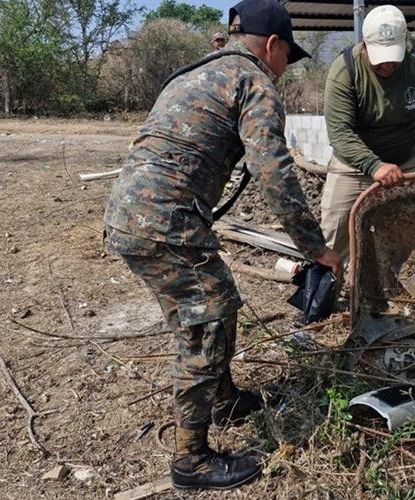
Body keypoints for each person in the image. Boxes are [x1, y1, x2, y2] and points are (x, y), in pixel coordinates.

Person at [102, 0, 341, 490]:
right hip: (164, 223)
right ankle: (191, 461)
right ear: (271, 44)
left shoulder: (195, 72)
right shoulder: (253, 81)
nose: (284, 67)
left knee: (215, 306)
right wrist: (315, 248)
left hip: (129, 214)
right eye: (287, 56)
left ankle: (224, 399)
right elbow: (273, 172)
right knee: (206, 324)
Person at [320, 4, 415, 260]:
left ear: (405, 43)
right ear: (364, 45)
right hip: (354, 164)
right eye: (380, 59)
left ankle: (413, 275)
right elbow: (339, 131)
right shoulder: (345, 70)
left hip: (408, 158)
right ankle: (331, 282)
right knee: (334, 236)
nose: (387, 66)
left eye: (393, 58)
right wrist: (373, 165)